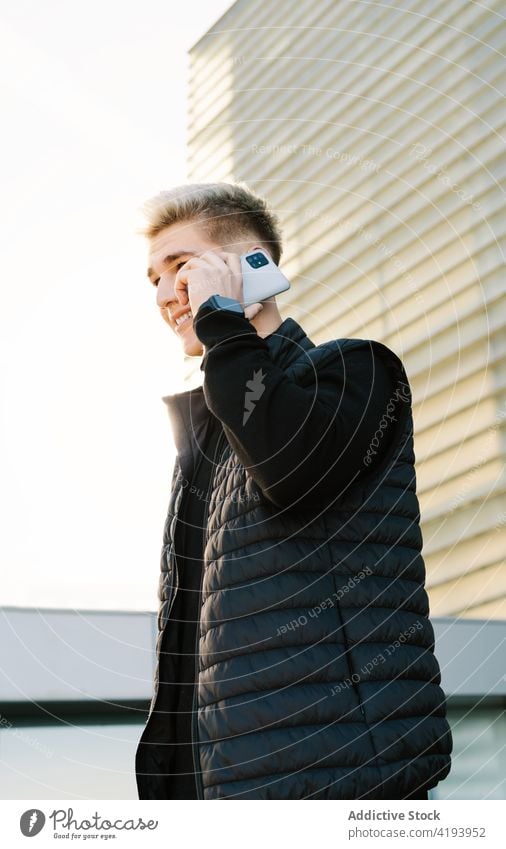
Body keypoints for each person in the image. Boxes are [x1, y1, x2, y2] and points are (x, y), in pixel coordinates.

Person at [135, 181, 452, 800]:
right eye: (151, 278)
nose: (164, 294)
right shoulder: (207, 446)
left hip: (346, 780)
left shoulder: (356, 371)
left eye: (181, 267)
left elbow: (289, 465)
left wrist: (223, 323)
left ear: (250, 267)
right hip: (231, 789)